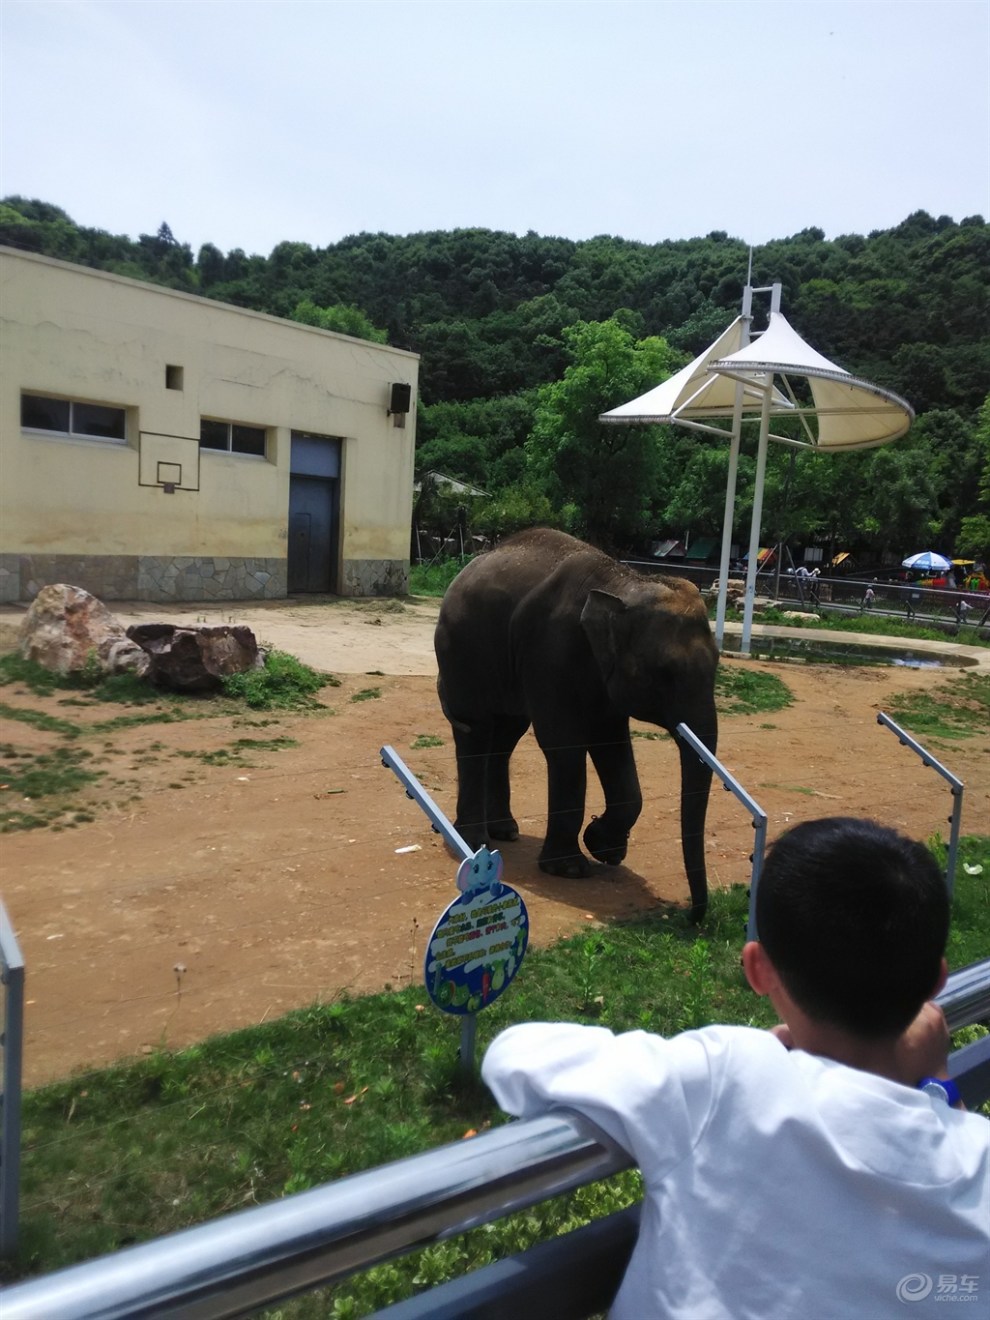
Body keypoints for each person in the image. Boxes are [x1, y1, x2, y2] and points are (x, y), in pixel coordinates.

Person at [482, 818, 989, 1319]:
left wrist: (755, 1053)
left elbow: (513, 1054)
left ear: (757, 969)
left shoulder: (728, 1076)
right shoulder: (979, 1162)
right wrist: (939, 1083)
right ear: (936, 981)